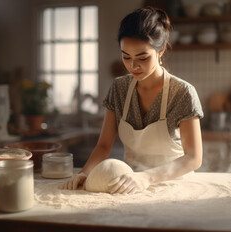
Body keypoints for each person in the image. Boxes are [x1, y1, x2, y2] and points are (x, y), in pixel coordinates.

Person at [62, 6, 204, 194]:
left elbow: (193, 157)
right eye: (126, 57)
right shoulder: (118, 89)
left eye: (142, 58)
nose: (133, 66)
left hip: (175, 188)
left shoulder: (182, 93)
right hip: (129, 186)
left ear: (160, 51)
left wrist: (146, 177)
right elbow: (104, 145)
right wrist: (84, 172)